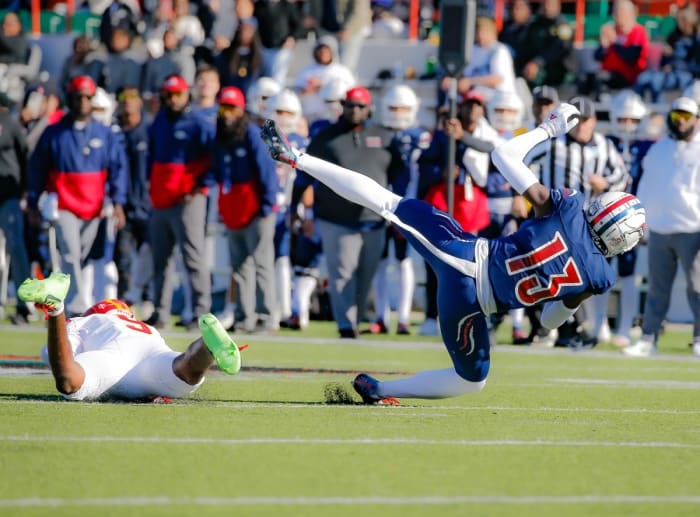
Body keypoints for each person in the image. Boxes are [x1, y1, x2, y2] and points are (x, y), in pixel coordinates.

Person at [260, 102, 646, 403]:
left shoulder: (568, 207)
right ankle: (379, 389)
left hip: (461, 255)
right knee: (471, 381)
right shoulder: (599, 277)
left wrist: (550, 128)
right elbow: (549, 321)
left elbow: (503, 157)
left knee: (388, 203)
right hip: (474, 307)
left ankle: (296, 158)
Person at [17, 272, 241, 402]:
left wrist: (58, 322)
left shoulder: (85, 321)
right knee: (183, 369)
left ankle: (56, 305)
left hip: (112, 356)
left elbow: (54, 355)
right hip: (148, 349)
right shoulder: (136, 324)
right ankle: (206, 348)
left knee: (69, 382)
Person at [297, 86, 403, 338]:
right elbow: (306, 174)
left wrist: (398, 210)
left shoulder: (385, 137)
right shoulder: (326, 136)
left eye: (360, 106)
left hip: (374, 218)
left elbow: (399, 174)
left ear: (369, 109)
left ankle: (354, 318)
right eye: (350, 105)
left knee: (366, 274)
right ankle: (346, 326)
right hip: (336, 218)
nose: (354, 110)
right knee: (342, 273)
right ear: (343, 105)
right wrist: (297, 209)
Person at [27, 75, 127, 316]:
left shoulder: (105, 133)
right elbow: (37, 169)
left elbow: (118, 169)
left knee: (85, 256)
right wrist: (32, 201)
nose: (82, 102)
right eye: (78, 97)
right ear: (70, 99)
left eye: (87, 97)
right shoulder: (54, 132)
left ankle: (85, 300)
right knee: (70, 254)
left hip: (94, 206)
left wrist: (119, 202)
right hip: (64, 203)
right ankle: (76, 306)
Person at [623, 97, 700, 358]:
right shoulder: (659, 149)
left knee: (697, 287)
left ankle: (699, 338)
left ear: (696, 120)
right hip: (659, 228)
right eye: (677, 114)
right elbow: (646, 187)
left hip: (693, 229)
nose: (680, 120)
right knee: (657, 289)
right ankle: (648, 338)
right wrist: (641, 222)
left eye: (686, 116)